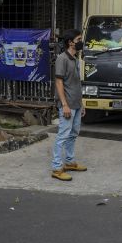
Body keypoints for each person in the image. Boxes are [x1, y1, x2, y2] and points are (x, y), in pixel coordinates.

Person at [51, 29, 87, 181]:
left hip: (76, 104)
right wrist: (64, 105)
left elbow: (76, 83)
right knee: (63, 136)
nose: (81, 42)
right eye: (78, 39)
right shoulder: (62, 59)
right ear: (70, 42)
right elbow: (59, 82)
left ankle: (70, 162)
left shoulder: (75, 59)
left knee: (73, 134)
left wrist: (81, 104)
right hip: (67, 105)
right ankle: (57, 168)